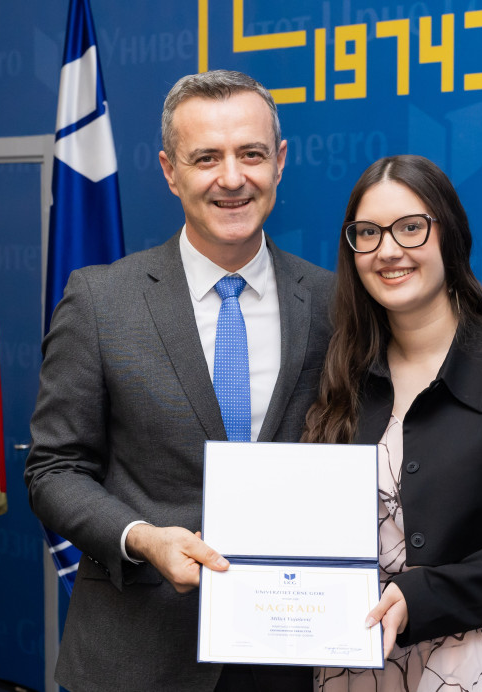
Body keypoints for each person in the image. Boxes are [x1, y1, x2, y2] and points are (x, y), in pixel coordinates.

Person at [25, 70, 333, 692]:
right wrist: (140, 538)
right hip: (137, 654)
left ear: (280, 162)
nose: (232, 178)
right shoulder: (100, 301)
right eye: (205, 158)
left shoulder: (333, 302)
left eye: (250, 154)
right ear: (169, 171)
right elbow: (53, 469)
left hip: (293, 653)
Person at [303, 155, 482, 691]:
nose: (388, 250)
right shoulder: (338, 375)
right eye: (367, 233)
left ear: (450, 236)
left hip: (480, 661)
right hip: (353, 660)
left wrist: (424, 596)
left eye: (410, 227)